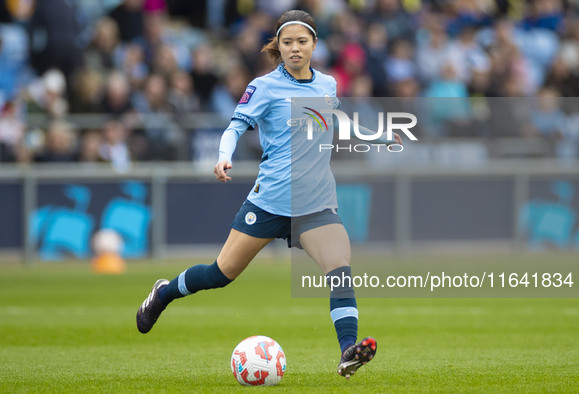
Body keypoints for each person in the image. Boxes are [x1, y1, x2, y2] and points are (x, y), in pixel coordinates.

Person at [136, 9, 401, 379]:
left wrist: (382, 135)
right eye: (287, 42)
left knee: (340, 273)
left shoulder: (326, 85)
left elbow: (337, 123)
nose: (294, 49)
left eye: (302, 41)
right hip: (269, 201)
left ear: (314, 45)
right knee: (220, 273)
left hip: (316, 205)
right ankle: (163, 294)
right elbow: (234, 127)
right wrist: (223, 156)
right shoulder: (264, 86)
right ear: (278, 45)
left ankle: (347, 353)